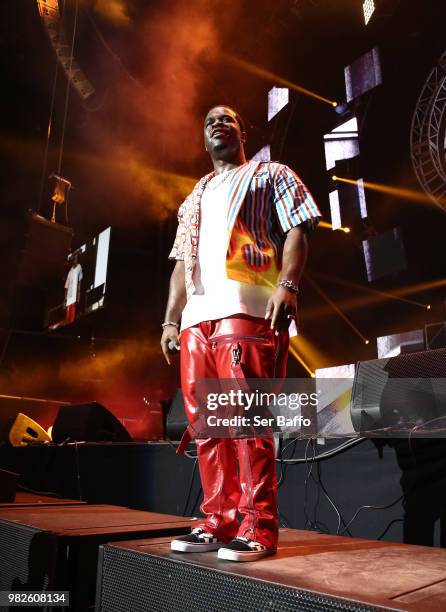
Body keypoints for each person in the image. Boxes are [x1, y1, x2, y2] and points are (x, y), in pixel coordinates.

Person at [161, 105, 321, 562]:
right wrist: (171, 320)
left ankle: (258, 524)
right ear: (202, 138)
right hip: (197, 318)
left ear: (243, 131)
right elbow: (179, 265)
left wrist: (288, 285)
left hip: (245, 310)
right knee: (207, 428)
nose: (217, 123)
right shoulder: (192, 197)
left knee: (246, 422)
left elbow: (297, 231)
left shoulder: (271, 174)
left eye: (228, 118)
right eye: (209, 119)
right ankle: (219, 519)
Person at [64, 254, 83, 323]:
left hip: (74, 295)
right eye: (75, 258)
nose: (76, 260)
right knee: (67, 317)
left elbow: (80, 280)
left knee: (73, 316)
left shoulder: (79, 267)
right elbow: (66, 285)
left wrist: (79, 293)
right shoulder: (69, 272)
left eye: (77, 258)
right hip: (69, 296)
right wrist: (65, 299)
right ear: (72, 260)